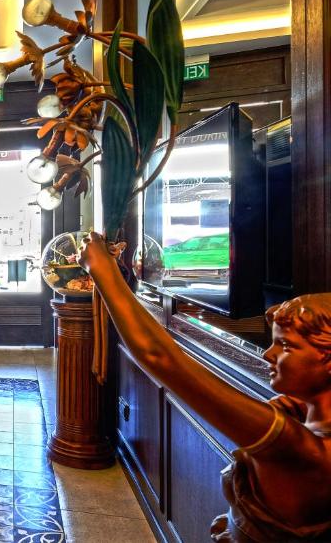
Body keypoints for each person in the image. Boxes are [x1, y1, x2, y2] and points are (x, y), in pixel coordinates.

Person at [79, 232, 331, 542]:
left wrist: (102, 271)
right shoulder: (300, 415)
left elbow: (160, 357)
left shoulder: (298, 448)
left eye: (286, 346)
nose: (269, 353)